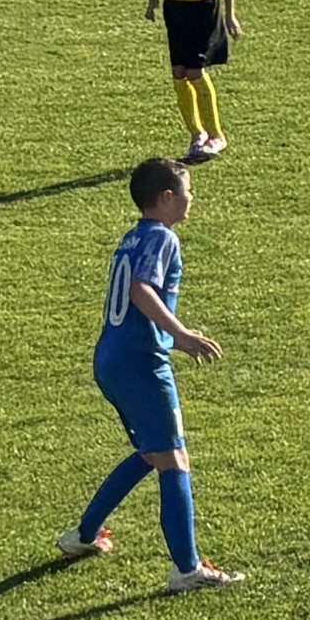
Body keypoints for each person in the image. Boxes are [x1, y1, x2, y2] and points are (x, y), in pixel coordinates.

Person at [59, 157, 243, 593]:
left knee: (151, 453)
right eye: (187, 192)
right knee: (174, 458)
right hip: (142, 362)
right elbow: (140, 289)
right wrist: (180, 335)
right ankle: (187, 569)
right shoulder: (163, 239)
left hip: (111, 359)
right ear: (166, 198)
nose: (191, 199)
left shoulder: (132, 237)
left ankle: (82, 536)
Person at [140, 0, 242, 165]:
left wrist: (230, 17)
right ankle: (197, 135)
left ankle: (216, 135)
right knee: (179, 75)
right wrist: (152, 2)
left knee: (196, 72)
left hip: (202, 11)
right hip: (175, 11)